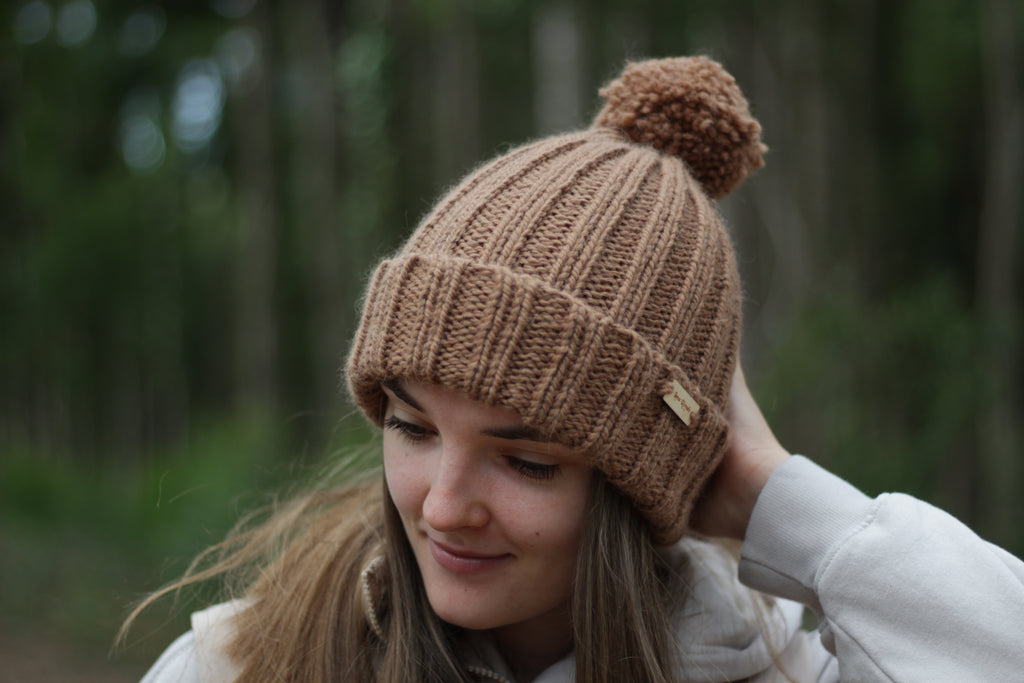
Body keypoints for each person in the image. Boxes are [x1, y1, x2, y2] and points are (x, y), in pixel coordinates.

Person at [130, 56, 1024, 682]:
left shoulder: (787, 671)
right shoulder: (243, 665)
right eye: (412, 426)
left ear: (637, 485)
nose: (442, 506)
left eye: (526, 459)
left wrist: (775, 499)